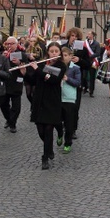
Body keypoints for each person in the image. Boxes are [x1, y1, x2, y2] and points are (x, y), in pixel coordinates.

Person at [26, 42, 66, 170]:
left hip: (52, 100)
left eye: (56, 51)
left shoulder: (61, 65)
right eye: (51, 51)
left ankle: (45, 157)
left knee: (48, 129)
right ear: (47, 52)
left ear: (59, 53)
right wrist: (25, 72)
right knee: (41, 130)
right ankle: (49, 147)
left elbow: (54, 80)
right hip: (39, 100)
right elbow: (33, 80)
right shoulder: (42, 64)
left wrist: (38, 70)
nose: (54, 53)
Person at [0, 36, 28, 133]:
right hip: (5, 82)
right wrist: (2, 58)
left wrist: (19, 63)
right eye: (8, 44)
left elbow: (25, 72)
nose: (10, 46)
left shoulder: (23, 55)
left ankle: (13, 123)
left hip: (17, 82)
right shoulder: (3, 55)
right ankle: (9, 119)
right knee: (3, 104)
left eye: (12, 44)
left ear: (17, 44)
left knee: (16, 107)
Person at [56, 46, 81, 154]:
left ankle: (68, 143)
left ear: (71, 56)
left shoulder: (75, 68)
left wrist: (67, 79)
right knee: (56, 120)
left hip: (69, 98)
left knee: (69, 122)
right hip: (57, 97)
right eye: (62, 56)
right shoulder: (57, 67)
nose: (63, 58)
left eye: (65, 55)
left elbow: (77, 83)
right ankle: (60, 133)